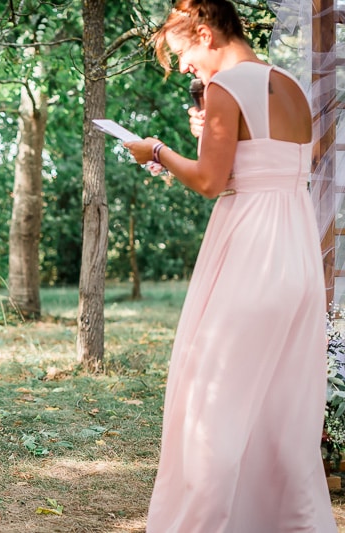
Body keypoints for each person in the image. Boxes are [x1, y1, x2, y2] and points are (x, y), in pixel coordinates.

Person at [123, 0, 337, 530]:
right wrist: (209, 138)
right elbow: (278, 165)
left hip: (250, 258)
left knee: (211, 407)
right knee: (281, 416)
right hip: (296, 254)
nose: (188, 69)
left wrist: (153, 151)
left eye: (185, 54)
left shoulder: (225, 87)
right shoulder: (287, 83)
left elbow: (210, 182)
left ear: (204, 27)